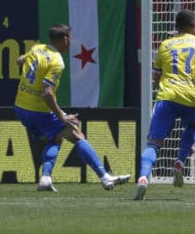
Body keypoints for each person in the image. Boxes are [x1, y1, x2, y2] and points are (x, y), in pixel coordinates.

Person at [15, 24, 131, 192]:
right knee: (75, 132)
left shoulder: (37, 48)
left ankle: (46, 178)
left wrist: (27, 68)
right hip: (38, 110)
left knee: (55, 138)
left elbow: (20, 60)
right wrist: (63, 117)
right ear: (65, 39)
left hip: (20, 107)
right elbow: (47, 93)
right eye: (69, 39)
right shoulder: (56, 61)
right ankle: (104, 177)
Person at [134, 9, 195, 200]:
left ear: (176, 26)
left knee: (154, 142)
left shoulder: (164, 45)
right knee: (191, 125)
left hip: (168, 97)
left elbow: (156, 78)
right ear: (193, 26)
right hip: (192, 97)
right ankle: (180, 161)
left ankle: (143, 178)